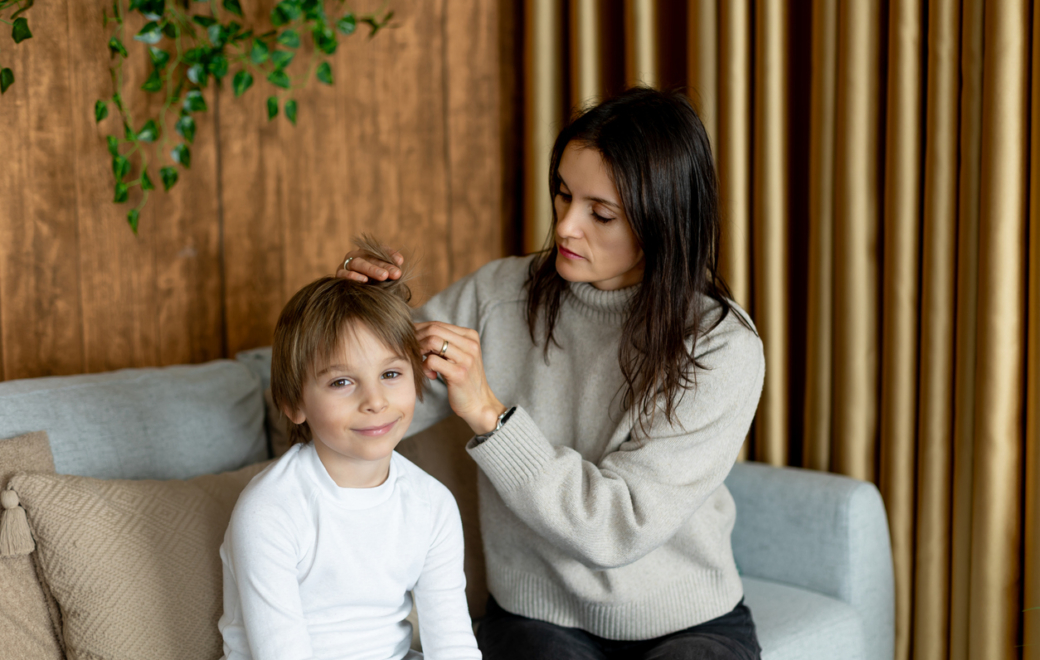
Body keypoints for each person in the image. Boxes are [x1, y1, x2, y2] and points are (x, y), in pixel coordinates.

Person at [339, 88, 765, 660]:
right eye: (563, 196)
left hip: (691, 623)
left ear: (664, 220)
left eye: (601, 213)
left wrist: (491, 416)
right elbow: (363, 401)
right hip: (537, 619)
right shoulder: (497, 297)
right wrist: (352, 319)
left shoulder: (719, 347)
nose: (565, 227)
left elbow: (618, 527)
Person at [218, 240, 481, 660]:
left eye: (391, 373)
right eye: (342, 381)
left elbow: (452, 643)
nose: (375, 400)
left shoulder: (432, 505)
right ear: (293, 404)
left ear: (418, 380)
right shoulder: (269, 510)